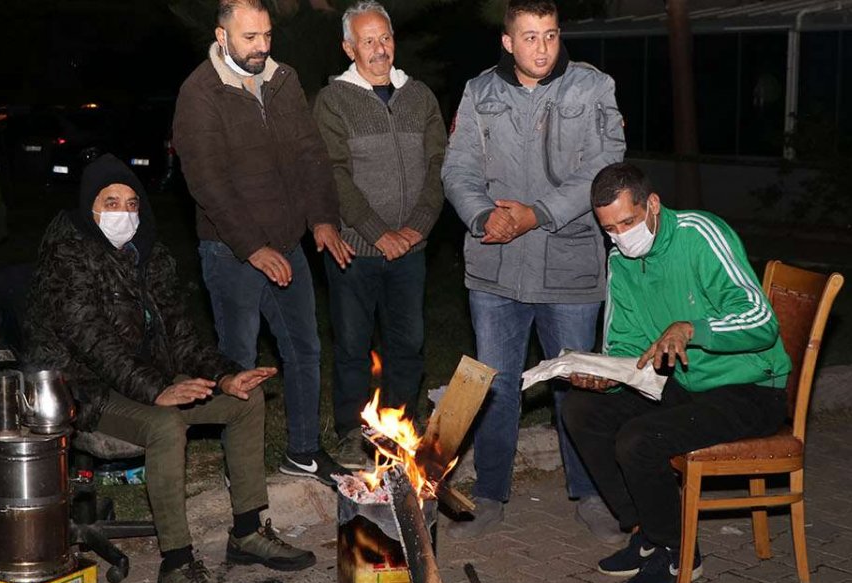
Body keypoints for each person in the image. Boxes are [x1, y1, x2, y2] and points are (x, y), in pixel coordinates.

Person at [23, 155, 317, 583]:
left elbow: (181, 336)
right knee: (165, 424)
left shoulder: (150, 255)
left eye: (132, 203)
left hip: (144, 379)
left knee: (245, 399)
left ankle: (247, 531)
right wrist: (157, 390)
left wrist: (225, 374)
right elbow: (93, 343)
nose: (124, 213)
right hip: (83, 391)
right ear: (88, 207)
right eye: (111, 203)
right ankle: (176, 563)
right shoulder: (67, 258)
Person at [441, 0, 626, 540]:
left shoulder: (592, 87)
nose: (542, 48)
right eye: (529, 37)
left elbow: (604, 168)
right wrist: (483, 216)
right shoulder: (479, 92)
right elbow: (457, 168)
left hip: (568, 267)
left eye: (550, 35)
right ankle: (490, 495)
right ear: (507, 42)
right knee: (494, 386)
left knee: (577, 385)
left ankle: (591, 494)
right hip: (496, 267)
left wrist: (536, 214)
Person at [562, 162, 792, 583]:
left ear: (652, 204)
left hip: (750, 388)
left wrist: (692, 329)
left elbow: (761, 320)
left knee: (638, 439)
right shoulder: (621, 261)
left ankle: (677, 550)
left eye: (627, 222)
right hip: (686, 385)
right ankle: (645, 531)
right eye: (609, 229)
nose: (620, 237)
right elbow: (625, 344)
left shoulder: (699, 235)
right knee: (580, 409)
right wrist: (605, 377)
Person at [173, 0, 356, 485]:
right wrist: (253, 247)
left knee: (305, 349)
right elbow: (207, 183)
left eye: (267, 36)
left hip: (288, 242)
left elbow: (310, 153)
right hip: (231, 251)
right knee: (239, 361)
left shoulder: (282, 79)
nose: (261, 47)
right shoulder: (200, 93)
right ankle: (242, 470)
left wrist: (322, 218)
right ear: (222, 36)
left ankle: (304, 451)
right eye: (249, 37)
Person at [312, 1, 447, 463]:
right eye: (367, 41)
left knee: (408, 344)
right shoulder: (333, 100)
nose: (379, 49)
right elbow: (334, 174)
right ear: (349, 48)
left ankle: (398, 427)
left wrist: (416, 228)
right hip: (354, 251)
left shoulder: (419, 96)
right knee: (353, 346)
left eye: (385, 38)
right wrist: (376, 232)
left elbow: (438, 164)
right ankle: (353, 431)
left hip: (411, 248)